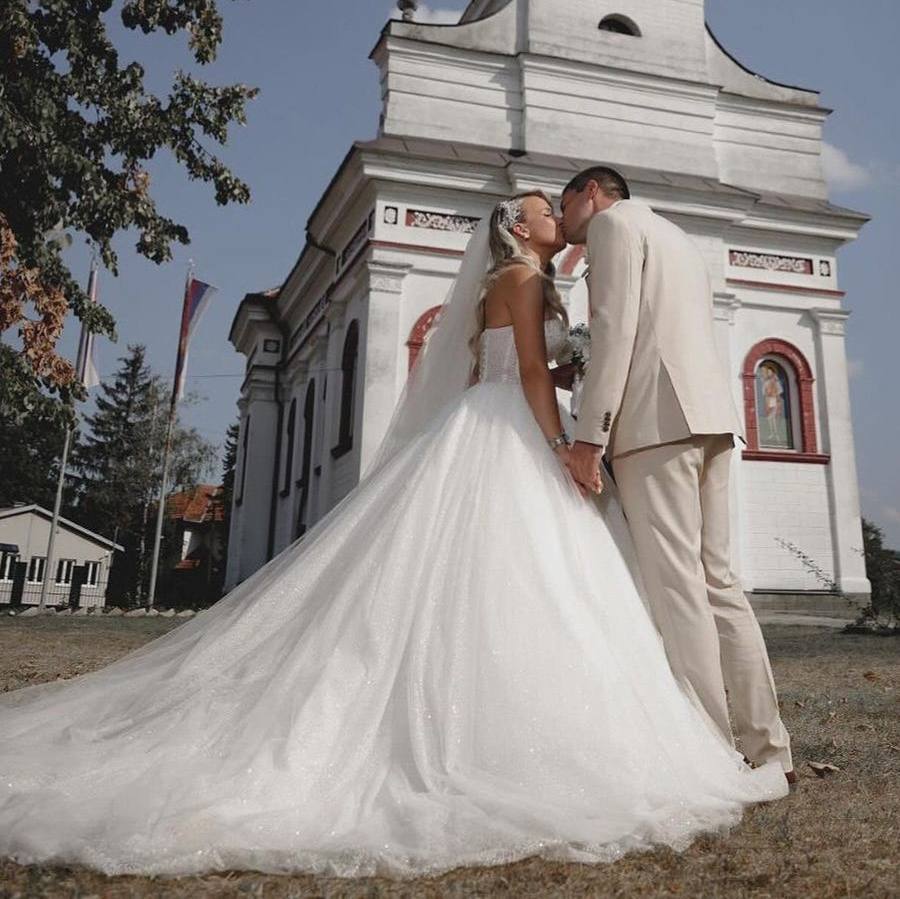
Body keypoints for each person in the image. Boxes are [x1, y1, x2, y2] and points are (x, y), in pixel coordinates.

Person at [0, 193, 787, 881]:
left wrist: (570, 377)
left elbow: (535, 366)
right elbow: (529, 374)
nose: (555, 215)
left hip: (511, 420)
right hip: (512, 430)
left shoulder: (532, 280)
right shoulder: (518, 278)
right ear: (518, 227)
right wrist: (562, 444)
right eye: (543, 209)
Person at [558, 167, 795, 783]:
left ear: (591, 193)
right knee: (720, 583)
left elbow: (615, 331)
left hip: (655, 425)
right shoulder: (676, 236)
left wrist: (590, 436)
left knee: (678, 588)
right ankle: (770, 747)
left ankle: (711, 750)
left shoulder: (611, 227)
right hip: (711, 418)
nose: (562, 222)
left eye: (564, 205)